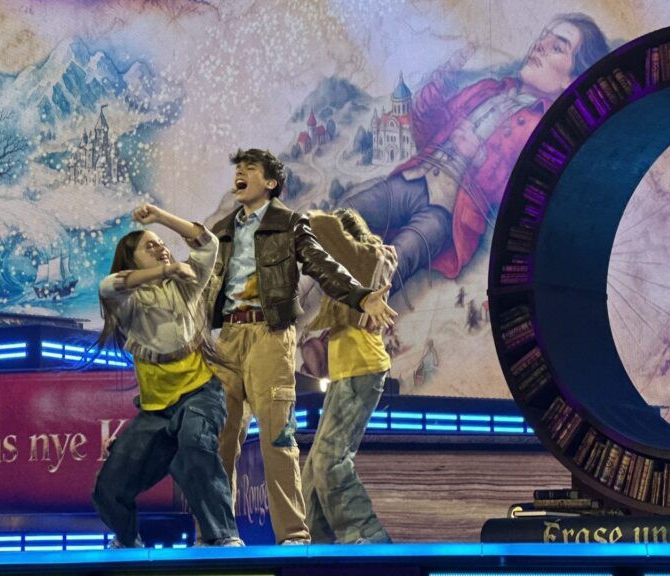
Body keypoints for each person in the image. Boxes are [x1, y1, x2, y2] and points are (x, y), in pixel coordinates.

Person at [204, 148, 396, 545]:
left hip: (269, 332)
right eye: (238, 168)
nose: (240, 173)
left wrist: (361, 298)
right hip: (229, 337)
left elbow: (323, 267)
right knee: (221, 436)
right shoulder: (223, 229)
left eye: (250, 168)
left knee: (277, 435)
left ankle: (294, 535)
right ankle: (217, 534)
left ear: (271, 182)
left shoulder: (290, 225)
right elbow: (208, 282)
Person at [344, 13, 609, 289]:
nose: (540, 45)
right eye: (544, 36)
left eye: (557, 47)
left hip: (447, 214)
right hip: (411, 179)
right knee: (341, 218)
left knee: (390, 265)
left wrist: (478, 156)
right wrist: (444, 76)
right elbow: (426, 126)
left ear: (573, 80)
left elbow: (519, 195)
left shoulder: (545, 134)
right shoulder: (488, 88)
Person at [92, 203, 243, 548]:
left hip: (201, 392)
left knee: (195, 442)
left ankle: (223, 537)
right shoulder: (130, 301)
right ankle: (127, 543)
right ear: (132, 261)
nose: (161, 248)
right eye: (150, 246)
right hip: (156, 410)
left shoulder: (186, 284)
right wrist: (165, 270)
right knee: (110, 488)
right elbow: (108, 286)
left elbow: (207, 243)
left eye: (162, 244)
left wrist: (160, 216)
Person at [302, 208, 397, 544]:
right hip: (350, 370)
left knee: (330, 459)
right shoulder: (358, 267)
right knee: (314, 469)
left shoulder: (365, 259)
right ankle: (317, 544)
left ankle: (368, 537)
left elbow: (321, 226)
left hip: (362, 367)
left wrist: (304, 218)